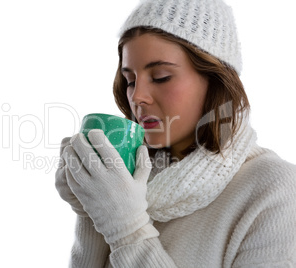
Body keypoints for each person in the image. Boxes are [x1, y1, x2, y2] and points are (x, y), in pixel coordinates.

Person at [55, 0, 296, 267]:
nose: (137, 97)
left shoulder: (276, 190)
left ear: (215, 81)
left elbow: (125, 229)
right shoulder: (132, 177)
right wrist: (90, 209)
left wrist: (128, 231)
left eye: (160, 77)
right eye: (130, 80)